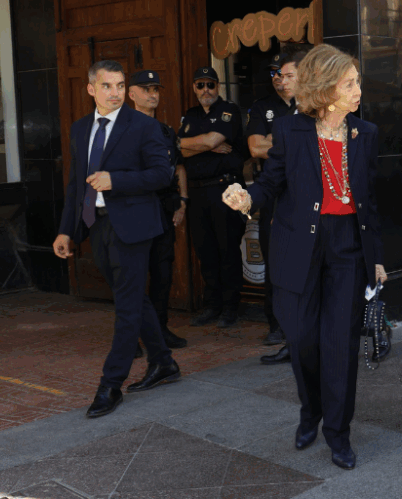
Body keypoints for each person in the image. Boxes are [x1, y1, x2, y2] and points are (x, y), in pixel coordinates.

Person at [222, 44, 386, 470]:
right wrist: (246, 199)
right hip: (299, 248)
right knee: (302, 341)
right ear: (325, 86)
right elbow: (271, 183)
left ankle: (338, 432)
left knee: (340, 345)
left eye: (357, 81)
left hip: (348, 247)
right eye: (350, 83)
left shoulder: (364, 133)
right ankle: (309, 410)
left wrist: (378, 258)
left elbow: (371, 203)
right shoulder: (293, 131)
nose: (358, 90)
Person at [52, 60, 179, 418]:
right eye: (107, 86)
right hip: (98, 225)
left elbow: (161, 174)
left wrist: (116, 180)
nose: (115, 93)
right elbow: (76, 184)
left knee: (125, 307)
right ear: (91, 89)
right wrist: (67, 230)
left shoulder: (143, 125)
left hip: (134, 228)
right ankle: (164, 362)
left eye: (120, 85)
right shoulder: (80, 129)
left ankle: (111, 384)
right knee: (134, 300)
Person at [180, 67, 248, 329]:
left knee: (228, 249)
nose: (205, 90)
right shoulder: (191, 114)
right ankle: (213, 305)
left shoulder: (228, 110)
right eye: (200, 85)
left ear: (217, 86)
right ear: (194, 88)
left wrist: (191, 145)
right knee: (205, 250)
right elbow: (178, 149)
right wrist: (194, 145)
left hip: (227, 190)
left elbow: (212, 140)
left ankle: (231, 308)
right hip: (197, 191)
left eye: (210, 84)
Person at [127, 70, 188, 350]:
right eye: (146, 89)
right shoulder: (122, 130)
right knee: (135, 274)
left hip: (164, 208)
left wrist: (182, 200)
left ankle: (159, 329)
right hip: (136, 208)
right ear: (132, 94)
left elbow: (177, 166)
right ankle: (131, 336)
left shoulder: (165, 131)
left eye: (156, 89)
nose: (153, 94)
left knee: (162, 272)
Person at [247, 54, 301, 355]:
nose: (280, 79)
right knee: (275, 260)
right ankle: (276, 324)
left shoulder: (309, 106)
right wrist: (290, 146)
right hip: (273, 194)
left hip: (304, 196)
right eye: (275, 74)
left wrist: (276, 143)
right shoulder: (262, 107)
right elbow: (255, 147)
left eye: (287, 74)